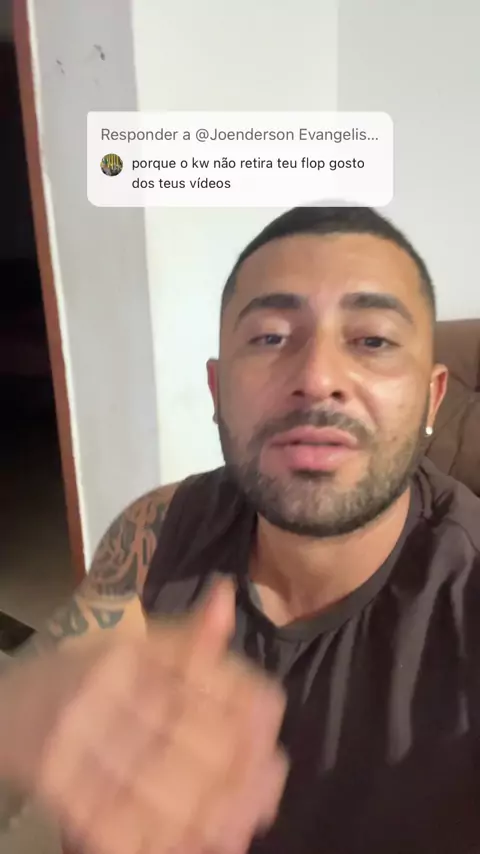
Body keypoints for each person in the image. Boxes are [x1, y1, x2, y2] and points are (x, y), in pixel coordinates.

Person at [1, 205, 479, 854]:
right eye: (271, 337)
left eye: (372, 340)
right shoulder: (156, 527)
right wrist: (26, 720)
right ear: (217, 390)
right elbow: (37, 701)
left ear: (432, 397)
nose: (317, 379)